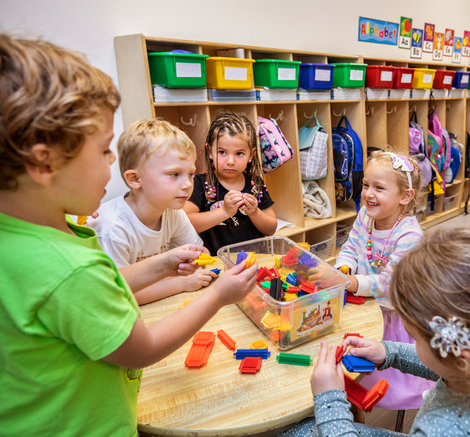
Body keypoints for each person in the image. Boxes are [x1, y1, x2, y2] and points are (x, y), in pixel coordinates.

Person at [0, 35, 258, 435]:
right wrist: (216, 295)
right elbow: (141, 349)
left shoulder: (27, 239)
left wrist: (160, 264)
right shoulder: (73, 267)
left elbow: (105, 283)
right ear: (43, 161)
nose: (111, 166)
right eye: (104, 151)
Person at [282, 228, 470, 436]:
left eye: (416, 338)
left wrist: (330, 399)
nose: (412, 341)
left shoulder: (440, 428)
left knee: (300, 430)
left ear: (461, 358)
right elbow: (448, 368)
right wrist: (391, 351)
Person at [311, 149, 433, 412]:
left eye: (379, 187)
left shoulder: (410, 235)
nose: (368, 193)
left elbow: (390, 283)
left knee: (383, 375)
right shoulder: (366, 215)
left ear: (405, 196)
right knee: (354, 357)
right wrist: (344, 268)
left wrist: (349, 282)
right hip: (366, 304)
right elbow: (351, 247)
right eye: (366, 184)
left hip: (395, 315)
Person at [89, 118, 215, 304]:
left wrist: (197, 258)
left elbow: (198, 259)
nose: (188, 184)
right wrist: (180, 283)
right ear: (135, 179)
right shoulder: (113, 228)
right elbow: (118, 294)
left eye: (190, 174)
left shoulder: (173, 210)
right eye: (174, 174)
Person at [184, 112, 276, 254]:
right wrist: (224, 212)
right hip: (217, 263)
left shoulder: (255, 184)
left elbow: (270, 229)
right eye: (222, 152)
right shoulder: (200, 183)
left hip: (255, 259)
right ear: (209, 151)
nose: (230, 161)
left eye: (239, 153)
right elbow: (186, 223)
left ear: (250, 155)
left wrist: (254, 212)